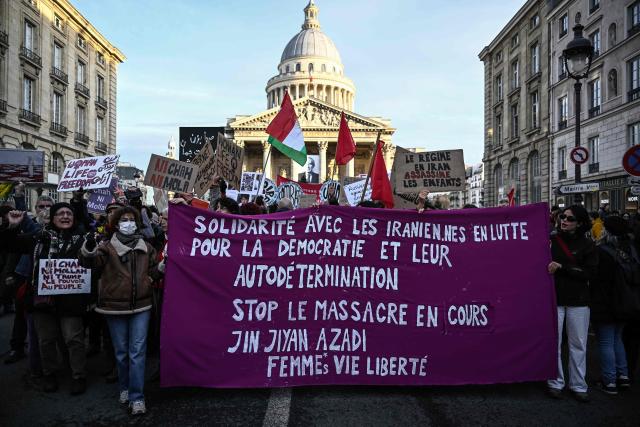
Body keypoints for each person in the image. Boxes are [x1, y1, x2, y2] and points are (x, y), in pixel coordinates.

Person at [79, 206, 163, 415]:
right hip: (114, 307)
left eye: (132, 219)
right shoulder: (106, 247)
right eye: (124, 219)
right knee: (122, 352)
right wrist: (89, 247)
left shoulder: (147, 246)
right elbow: (90, 263)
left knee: (137, 352)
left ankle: (137, 397)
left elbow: (153, 270)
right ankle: (124, 387)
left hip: (142, 305)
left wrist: (159, 270)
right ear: (116, 224)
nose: (129, 223)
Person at [2, 203, 90, 395]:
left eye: (69, 213)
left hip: (71, 301)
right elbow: (9, 244)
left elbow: (92, 262)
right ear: (52, 217)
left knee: (74, 339)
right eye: (60, 213)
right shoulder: (38, 237)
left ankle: (78, 375)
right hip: (43, 300)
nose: (65, 216)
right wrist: (12, 226)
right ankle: (49, 374)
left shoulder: (83, 238)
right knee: (46, 340)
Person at [546, 205, 598, 402]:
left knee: (579, 344)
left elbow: (590, 273)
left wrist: (562, 268)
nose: (564, 220)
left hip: (578, 301)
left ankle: (578, 384)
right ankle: (555, 382)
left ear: (580, 223)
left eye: (569, 218)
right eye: (562, 216)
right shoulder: (550, 241)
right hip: (555, 299)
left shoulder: (588, 245)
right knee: (555, 343)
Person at [591, 216, 635, 394]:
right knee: (618, 339)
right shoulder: (631, 249)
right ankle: (623, 376)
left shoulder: (602, 251)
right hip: (626, 302)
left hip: (605, 303)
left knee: (606, 341)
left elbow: (596, 279)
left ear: (606, 231)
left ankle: (609, 381)